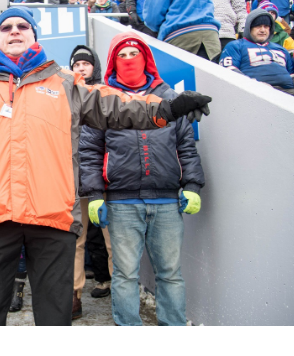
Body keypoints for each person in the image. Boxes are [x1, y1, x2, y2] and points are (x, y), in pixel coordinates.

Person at [0, 10, 211, 325]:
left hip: (53, 217)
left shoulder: (66, 82)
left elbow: (116, 105)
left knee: (55, 317)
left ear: (34, 37)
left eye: (22, 27)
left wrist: (168, 108)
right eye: (6, 28)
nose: (14, 32)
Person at [78, 35, 204, 326]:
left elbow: (186, 146)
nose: (130, 59)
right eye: (123, 54)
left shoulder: (170, 97)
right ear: (112, 61)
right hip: (122, 203)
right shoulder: (103, 98)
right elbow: (90, 151)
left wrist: (193, 185)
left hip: (168, 202)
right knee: (125, 275)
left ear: (146, 57)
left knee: (170, 273)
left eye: (135, 52)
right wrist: (95, 194)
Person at [219, 8, 294, 98]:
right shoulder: (236, 45)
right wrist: (254, 84)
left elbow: (292, 74)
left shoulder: (281, 49)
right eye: (258, 26)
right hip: (254, 92)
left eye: (266, 26)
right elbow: (228, 71)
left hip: (288, 92)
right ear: (249, 28)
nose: (262, 30)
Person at [139, 0, 222, 60]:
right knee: (210, 72)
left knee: (181, 73)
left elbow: (151, 19)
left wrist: (159, 30)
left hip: (181, 37)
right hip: (211, 36)